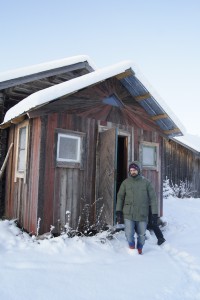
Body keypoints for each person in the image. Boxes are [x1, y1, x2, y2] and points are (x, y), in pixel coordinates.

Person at [116, 161, 158, 254]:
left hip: (142, 213)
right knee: (129, 233)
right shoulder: (125, 183)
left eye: (134, 170)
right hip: (129, 213)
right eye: (131, 170)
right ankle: (131, 248)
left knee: (142, 234)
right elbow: (120, 197)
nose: (132, 172)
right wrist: (118, 210)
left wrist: (154, 213)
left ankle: (139, 249)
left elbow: (153, 198)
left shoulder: (146, 183)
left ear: (138, 170)